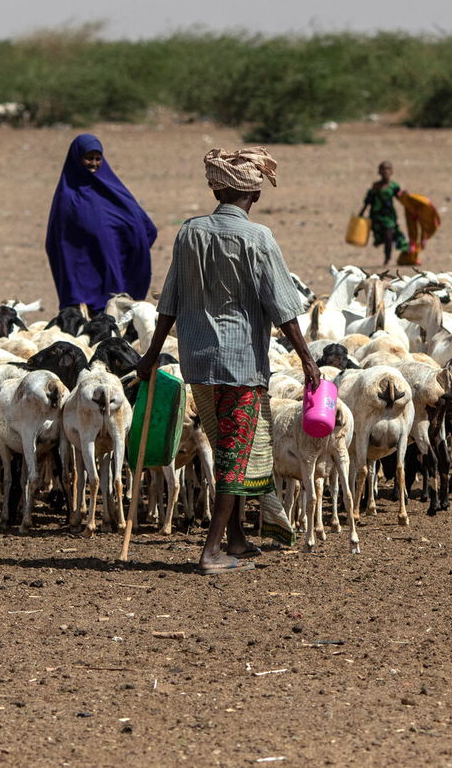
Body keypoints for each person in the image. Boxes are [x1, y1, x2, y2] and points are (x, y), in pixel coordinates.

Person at [136, 147, 319, 574]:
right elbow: (283, 308)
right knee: (236, 455)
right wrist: (308, 360)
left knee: (225, 447)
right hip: (240, 365)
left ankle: (236, 538)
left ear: (216, 190)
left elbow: (169, 301)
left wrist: (150, 354)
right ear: (255, 195)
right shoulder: (258, 238)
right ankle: (211, 551)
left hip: (198, 364)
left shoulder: (189, 233)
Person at [45, 133, 159, 315]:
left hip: (112, 262)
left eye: (98, 159)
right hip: (82, 270)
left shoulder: (112, 188)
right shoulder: (67, 195)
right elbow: (59, 239)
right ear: (77, 158)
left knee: (114, 309)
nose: (94, 163)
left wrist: (132, 246)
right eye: (88, 158)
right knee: (84, 317)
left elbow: (142, 224)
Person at [358, 160, 409, 267]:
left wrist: (408, 199)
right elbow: (368, 201)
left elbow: (401, 198)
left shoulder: (393, 186)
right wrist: (361, 213)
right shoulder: (375, 186)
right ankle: (383, 247)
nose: (385, 171)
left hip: (389, 216)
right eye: (383, 169)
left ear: (391, 171)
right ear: (379, 172)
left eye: (387, 169)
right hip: (376, 216)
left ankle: (387, 258)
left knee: (389, 235)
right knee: (381, 235)